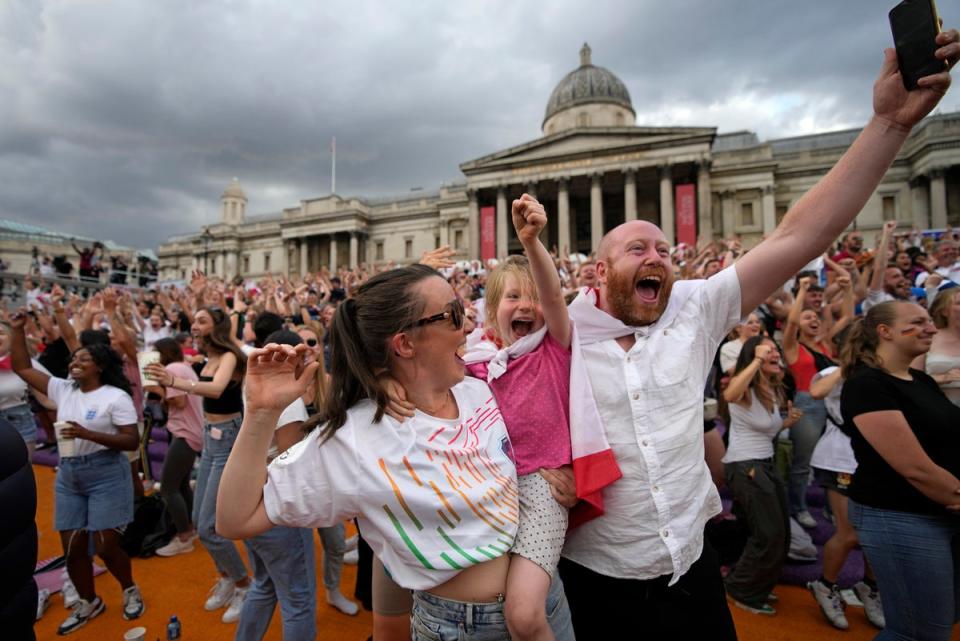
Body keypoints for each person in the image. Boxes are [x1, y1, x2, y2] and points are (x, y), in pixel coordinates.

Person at [557, 31, 958, 639]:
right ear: (596, 271)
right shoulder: (556, 340)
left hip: (689, 572)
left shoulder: (694, 307)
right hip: (592, 575)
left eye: (665, 247)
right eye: (637, 247)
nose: (658, 256)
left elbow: (799, 237)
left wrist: (888, 124)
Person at [216, 265, 573, 641]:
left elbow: (539, 441)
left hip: (548, 603)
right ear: (404, 344)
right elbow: (234, 520)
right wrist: (260, 414)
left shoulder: (479, 389)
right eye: (453, 315)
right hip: (457, 628)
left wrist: (565, 479)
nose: (468, 326)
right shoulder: (355, 439)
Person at [10, 312, 145, 634]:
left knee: (105, 545)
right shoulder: (62, 389)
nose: (74, 362)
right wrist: (16, 330)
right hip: (70, 476)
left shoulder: (116, 397)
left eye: (83, 358)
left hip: (106, 473)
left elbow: (131, 439)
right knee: (72, 547)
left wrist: (88, 434)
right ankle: (89, 600)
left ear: (99, 365)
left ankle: (129, 588)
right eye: (73, 358)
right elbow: (22, 367)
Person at [840, 301, 960, 640]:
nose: (932, 328)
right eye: (918, 322)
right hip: (900, 516)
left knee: (940, 618)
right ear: (885, 332)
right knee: (918, 632)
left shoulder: (920, 379)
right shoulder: (867, 385)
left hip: (941, 511)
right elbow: (914, 468)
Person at [146, 306, 252, 624]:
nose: (194, 324)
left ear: (217, 327)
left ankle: (244, 584)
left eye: (201, 321)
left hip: (228, 440)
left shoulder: (231, 356)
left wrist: (175, 381)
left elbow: (217, 389)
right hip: (210, 437)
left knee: (209, 526)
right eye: (193, 319)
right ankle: (228, 576)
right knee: (198, 519)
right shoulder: (210, 357)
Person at [721, 336, 802, 615]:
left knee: (779, 533)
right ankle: (741, 588)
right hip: (746, 467)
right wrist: (756, 360)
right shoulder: (744, 386)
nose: (775, 353)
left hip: (764, 465)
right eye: (767, 350)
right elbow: (729, 396)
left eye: (776, 349)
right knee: (770, 533)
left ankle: (754, 585)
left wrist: (786, 423)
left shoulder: (774, 388)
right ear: (753, 354)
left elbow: (764, 429)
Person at [806, 359, 884, 631]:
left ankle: (870, 587)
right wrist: (847, 365)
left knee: (876, 533)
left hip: (875, 459)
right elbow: (816, 391)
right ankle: (826, 586)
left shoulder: (884, 370)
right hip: (839, 459)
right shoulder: (833, 371)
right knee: (850, 533)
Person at [782, 274, 853, 527]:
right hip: (807, 407)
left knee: (832, 460)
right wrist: (801, 290)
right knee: (803, 462)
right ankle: (798, 508)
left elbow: (846, 317)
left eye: (815, 317)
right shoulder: (793, 347)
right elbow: (790, 321)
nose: (813, 319)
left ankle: (831, 508)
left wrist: (849, 287)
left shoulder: (825, 344)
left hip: (832, 406)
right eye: (807, 317)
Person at [152, 338, 203, 557]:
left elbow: (179, 402)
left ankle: (184, 535)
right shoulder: (185, 367)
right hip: (191, 430)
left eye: (156, 354)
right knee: (181, 484)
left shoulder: (173, 369)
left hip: (185, 432)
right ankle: (191, 528)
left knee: (168, 488)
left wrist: (155, 388)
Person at [914, 287, 960, 406]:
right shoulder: (927, 337)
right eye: (959, 303)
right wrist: (943, 378)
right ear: (944, 311)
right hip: (940, 409)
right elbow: (909, 380)